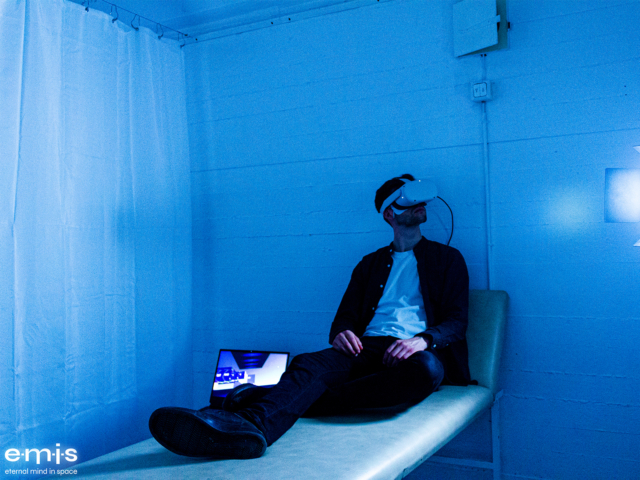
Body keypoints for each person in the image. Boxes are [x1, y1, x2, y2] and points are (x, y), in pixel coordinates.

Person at [149, 173, 472, 460]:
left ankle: (254, 401)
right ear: (390, 213)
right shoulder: (369, 264)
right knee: (309, 363)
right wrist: (342, 333)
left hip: (414, 353)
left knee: (427, 369)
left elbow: (457, 321)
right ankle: (249, 427)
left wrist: (421, 341)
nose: (420, 205)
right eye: (408, 201)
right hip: (367, 349)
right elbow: (343, 319)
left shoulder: (447, 259)